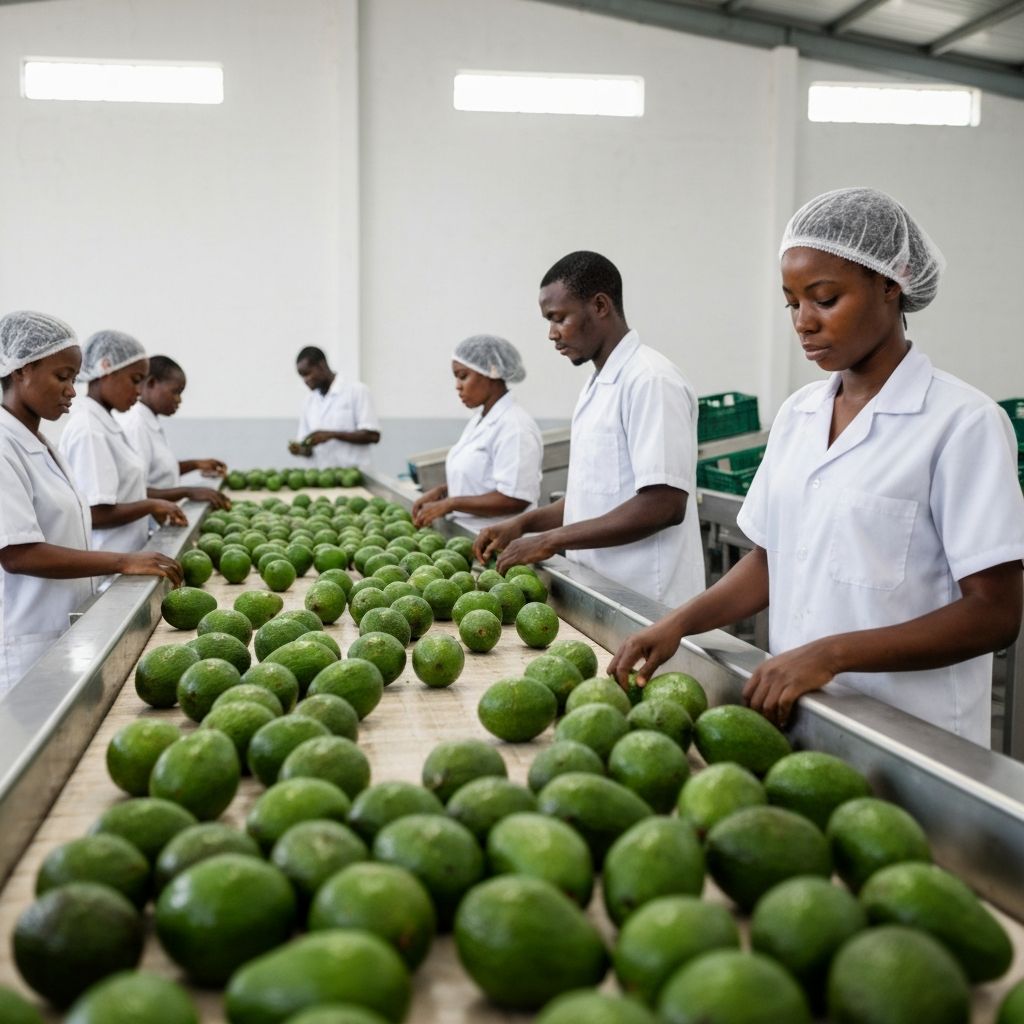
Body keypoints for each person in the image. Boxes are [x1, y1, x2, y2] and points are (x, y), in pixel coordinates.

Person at [610, 187, 1024, 747]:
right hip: (803, 720)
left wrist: (830, 655)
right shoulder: (798, 414)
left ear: (890, 285)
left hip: (914, 740)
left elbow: (995, 613)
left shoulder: (962, 423)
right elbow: (771, 560)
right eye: (792, 303)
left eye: (825, 299)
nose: (803, 322)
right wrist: (678, 624)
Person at [473, 251, 705, 608]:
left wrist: (550, 540)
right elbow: (594, 497)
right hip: (603, 592)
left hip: (649, 601)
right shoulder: (597, 385)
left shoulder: (651, 381)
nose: (552, 334)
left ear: (599, 306)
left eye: (559, 318)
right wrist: (524, 524)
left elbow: (664, 504)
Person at [0, 312, 183, 693]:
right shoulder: (5, 446)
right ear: (21, 371)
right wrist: (123, 561)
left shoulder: (40, 443)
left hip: (62, 631)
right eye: (62, 377)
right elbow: (17, 554)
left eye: (73, 377)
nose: (72, 390)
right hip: (25, 640)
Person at [58, 330, 188, 559]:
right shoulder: (89, 430)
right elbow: (95, 513)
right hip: (108, 563)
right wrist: (151, 505)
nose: (139, 391)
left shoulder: (107, 424)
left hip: (127, 558)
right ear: (106, 370)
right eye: (135, 380)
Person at [411, 335, 543, 532]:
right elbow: (481, 479)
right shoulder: (481, 419)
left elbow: (516, 498)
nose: (457, 385)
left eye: (463, 376)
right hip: (471, 534)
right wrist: (443, 491)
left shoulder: (515, 427)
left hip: (500, 540)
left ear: (492, 371)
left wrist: (451, 503)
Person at [117, 355, 231, 510]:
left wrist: (196, 464)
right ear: (151, 383)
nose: (179, 400)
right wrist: (188, 492)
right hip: (148, 521)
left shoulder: (150, 421)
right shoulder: (135, 426)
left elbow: (159, 472)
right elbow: (135, 490)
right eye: (176, 392)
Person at [289, 346, 380, 470]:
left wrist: (331, 435)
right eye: (302, 376)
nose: (305, 380)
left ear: (321, 365)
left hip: (354, 474)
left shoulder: (357, 391)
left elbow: (373, 436)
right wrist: (300, 449)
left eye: (307, 374)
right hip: (322, 476)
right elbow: (308, 448)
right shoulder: (309, 401)